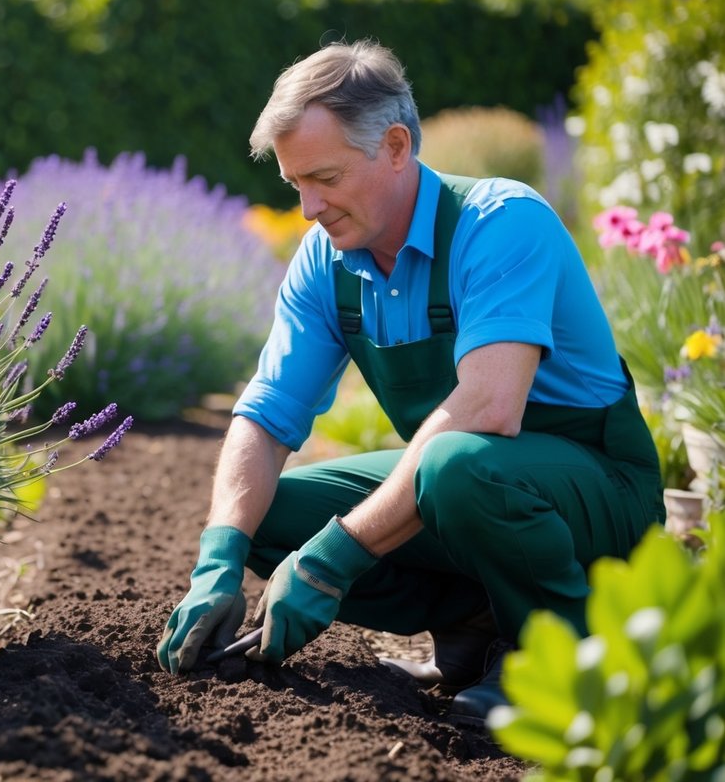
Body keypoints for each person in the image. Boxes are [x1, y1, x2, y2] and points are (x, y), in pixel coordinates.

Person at [155, 38, 663, 726]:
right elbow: (266, 412)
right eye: (294, 184)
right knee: (260, 513)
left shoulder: (499, 222)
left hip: (600, 496)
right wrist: (216, 559)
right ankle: (475, 626)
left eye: (324, 178)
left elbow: (488, 405)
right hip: (474, 481)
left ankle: (566, 651)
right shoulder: (326, 261)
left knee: (456, 465)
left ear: (395, 147)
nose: (307, 207)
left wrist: (332, 559)